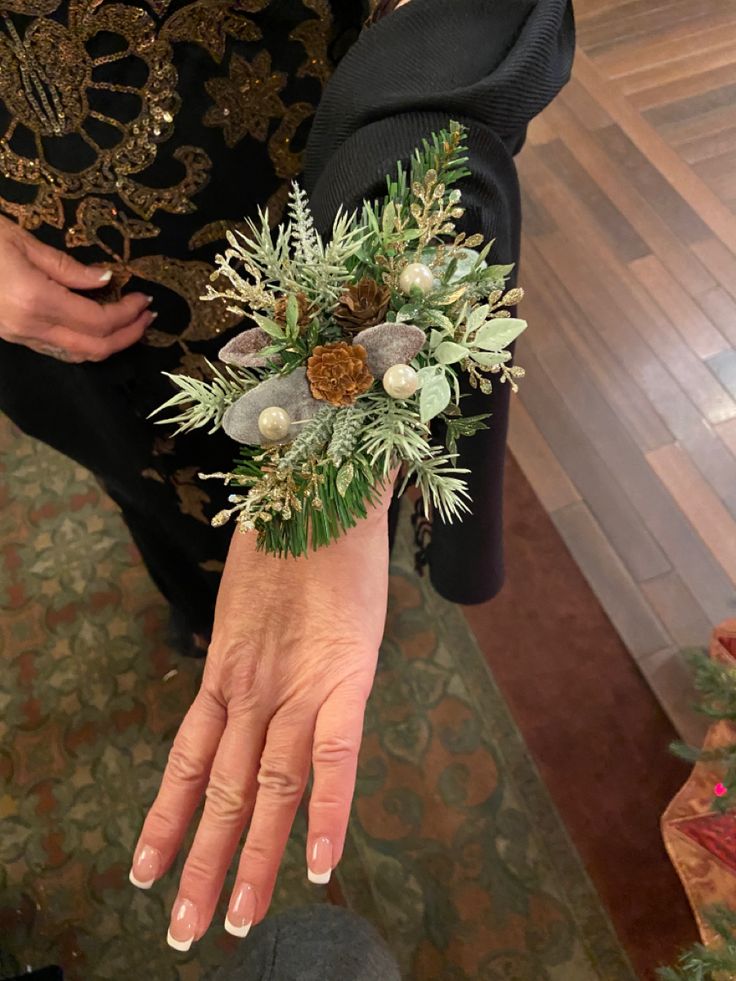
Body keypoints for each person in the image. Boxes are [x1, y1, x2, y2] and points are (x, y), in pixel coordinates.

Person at [0, 0, 574, 955]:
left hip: (311, 224)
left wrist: (334, 447)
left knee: (321, 559)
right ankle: (190, 593)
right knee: (142, 484)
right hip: (56, 308)